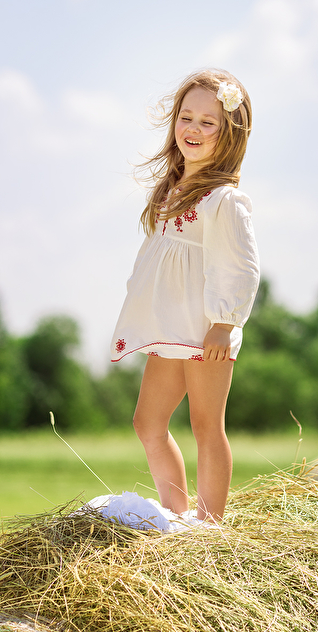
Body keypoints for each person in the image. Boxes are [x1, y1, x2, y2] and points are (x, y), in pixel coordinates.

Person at [110, 68, 260, 523]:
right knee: (147, 422)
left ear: (229, 133)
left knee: (206, 425)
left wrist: (224, 323)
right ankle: (174, 519)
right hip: (169, 326)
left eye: (208, 122)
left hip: (205, 330)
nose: (193, 128)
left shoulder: (223, 201)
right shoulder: (171, 191)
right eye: (186, 117)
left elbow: (241, 266)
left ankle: (209, 527)